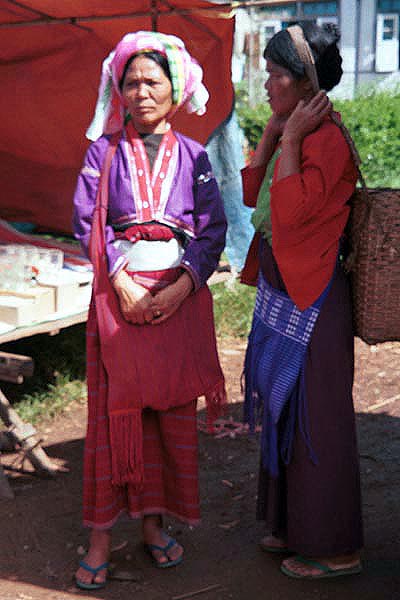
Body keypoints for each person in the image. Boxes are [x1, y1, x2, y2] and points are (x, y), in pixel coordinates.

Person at [73, 31, 227, 590]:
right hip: (119, 301)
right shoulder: (103, 152)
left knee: (165, 417)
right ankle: (98, 537)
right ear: (119, 89)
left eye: (152, 81)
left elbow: (213, 229)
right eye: (131, 82)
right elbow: (87, 218)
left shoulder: (196, 156)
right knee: (113, 420)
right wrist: (120, 281)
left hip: (175, 300)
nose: (140, 92)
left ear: (175, 89)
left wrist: (184, 285)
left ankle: (154, 526)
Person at [241, 22, 363, 579]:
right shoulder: (294, 128)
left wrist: (287, 143)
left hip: (314, 302)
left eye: (276, 74)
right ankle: (295, 526)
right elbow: (250, 195)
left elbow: (287, 221)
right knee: (288, 409)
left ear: (304, 81)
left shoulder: (326, 139)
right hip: (287, 293)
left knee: (319, 419)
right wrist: (272, 137)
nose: (267, 84)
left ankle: (335, 546)